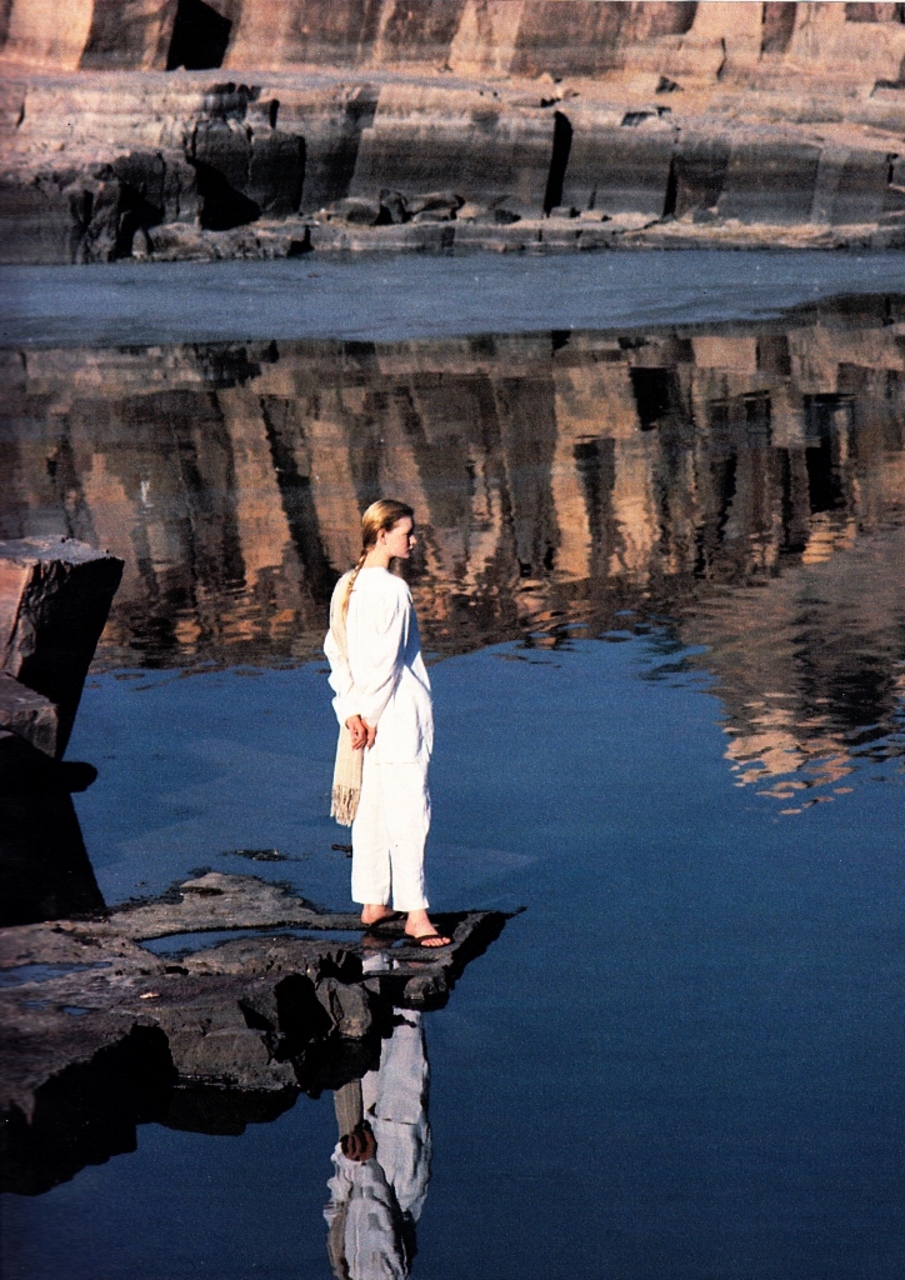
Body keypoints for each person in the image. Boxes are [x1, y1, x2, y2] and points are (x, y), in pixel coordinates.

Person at [324, 500, 450, 947]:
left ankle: (373, 901)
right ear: (382, 536)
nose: (413, 540)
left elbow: (335, 653)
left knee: (372, 810)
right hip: (394, 717)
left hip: (362, 717)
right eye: (406, 533)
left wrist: (350, 712)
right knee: (410, 813)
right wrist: (371, 717)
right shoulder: (393, 589)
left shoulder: (347, 584)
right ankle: (416, 915)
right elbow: (388, 662)